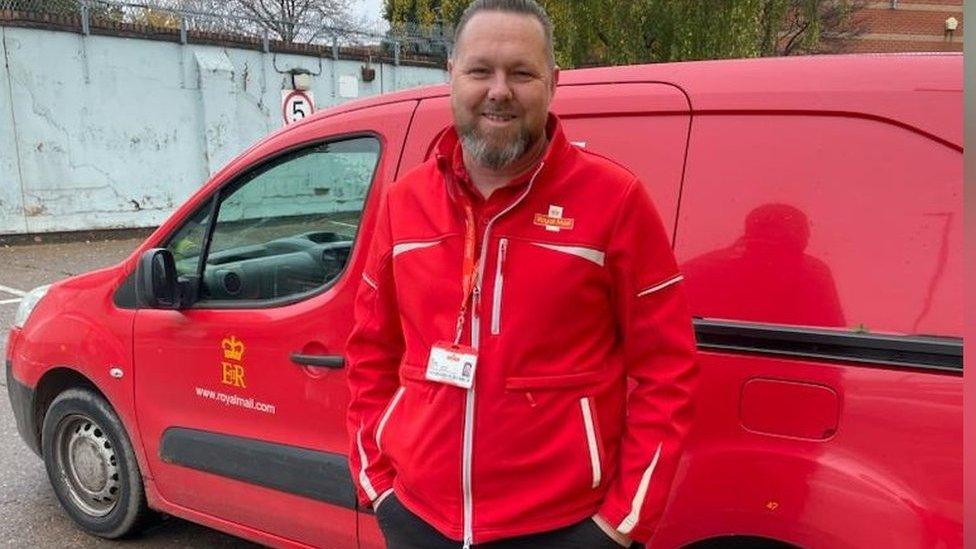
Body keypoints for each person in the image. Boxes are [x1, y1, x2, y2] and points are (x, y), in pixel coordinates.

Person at [345, 1, 698, 547]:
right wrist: (381, 487)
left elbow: (667, 371)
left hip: (563, 528)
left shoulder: (615, 201)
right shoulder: (403, 202)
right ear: (452, 77)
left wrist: (618, 524)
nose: (499, 90)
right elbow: (370, 351)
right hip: (419, 519)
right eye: (480, 70)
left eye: (522, 72)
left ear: (553, 83)